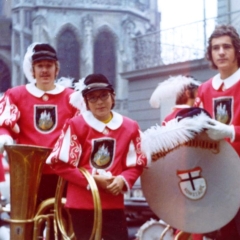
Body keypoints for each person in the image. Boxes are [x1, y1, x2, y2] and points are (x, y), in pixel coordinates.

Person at [46, 73, 148, 240]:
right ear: (86, 102)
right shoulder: (75, 125)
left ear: (112, 96)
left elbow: (137, 162)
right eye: (92, 98)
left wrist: (123, 179)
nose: (99, 102)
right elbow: (60, 164)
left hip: (113, 203)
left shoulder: (130, 126)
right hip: (82, 204)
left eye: (103, 95)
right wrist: (91, 181)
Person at [0, 42, 79, 205]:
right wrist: (5, 137)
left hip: (62, 172)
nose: (44, 70)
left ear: (56, 69)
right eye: (40, 66)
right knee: (29, 223)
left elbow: (82, 130)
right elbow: (4, 122)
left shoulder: (72, 98)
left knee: (60, 221)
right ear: (32, 70)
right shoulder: (16, 94)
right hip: (27, 171)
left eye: (49, 66)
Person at [195, 24, 240, 240]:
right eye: (215, 48)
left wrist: (231, 131)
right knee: (222, 234)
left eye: (226, 47)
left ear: (237, 51)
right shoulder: (204, 89)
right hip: (218, 173)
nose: (221, 52)